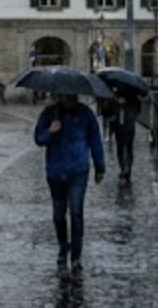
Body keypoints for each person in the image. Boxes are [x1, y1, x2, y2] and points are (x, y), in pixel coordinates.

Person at [33, 92, 107, 270]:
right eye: (65, 96)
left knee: (76, 211)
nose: (68, 99)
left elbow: (95, 140)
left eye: (71, 96)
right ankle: (62, 247)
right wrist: (50, 131)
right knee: (59, 214)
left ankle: (76, 256)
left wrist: (100, 166)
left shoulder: (85, 114)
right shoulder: (49, 113)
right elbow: (38, 139)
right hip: (56, 172)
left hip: (78, 170)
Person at [110, 89, 143, 182]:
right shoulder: (114, 95)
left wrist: (132, 115)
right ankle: (123, 168)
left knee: (129, 147)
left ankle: (128, 168)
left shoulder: (132, 97)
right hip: (118, 127)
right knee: (120, 148)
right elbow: (108, 109)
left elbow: (137, 107)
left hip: (129, 126)